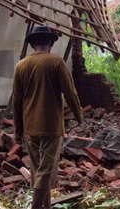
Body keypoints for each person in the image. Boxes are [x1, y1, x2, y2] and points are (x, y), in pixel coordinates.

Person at [12, 25, 84, 209]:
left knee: (38, 172)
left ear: (32, 45)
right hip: (51, 127)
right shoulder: (56, 62)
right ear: (51, 42)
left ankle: (47, 206)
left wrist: (18, 130)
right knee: (45, 172)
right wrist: (79, 117)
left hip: (30, 127)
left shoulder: (21, 66)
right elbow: (71, 94)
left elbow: (16, 101)